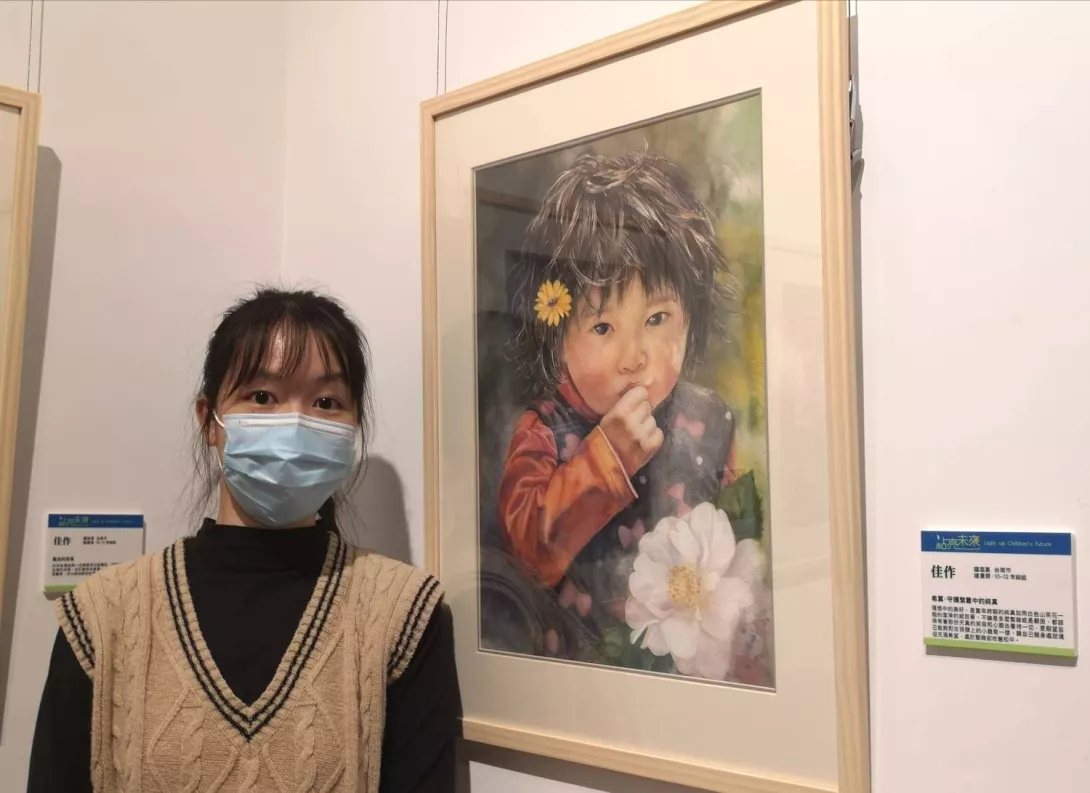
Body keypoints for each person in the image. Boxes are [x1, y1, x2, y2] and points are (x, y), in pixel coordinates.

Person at [28, 288, 459, 792]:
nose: (295, 424)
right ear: (208, 420)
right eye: (262, 396)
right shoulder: (103, 616)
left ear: (354, 427)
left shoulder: (405, 615)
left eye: (326, 402)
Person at [496, 151, 767, 681]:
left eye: (657, 318)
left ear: (691, 319)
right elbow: (526, 554)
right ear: (557, 337)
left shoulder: (709, 420)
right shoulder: (543, 431)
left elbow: (737, 552)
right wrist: (605, 459)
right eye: (603, 328)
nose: (635, 356)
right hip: (580, 674)